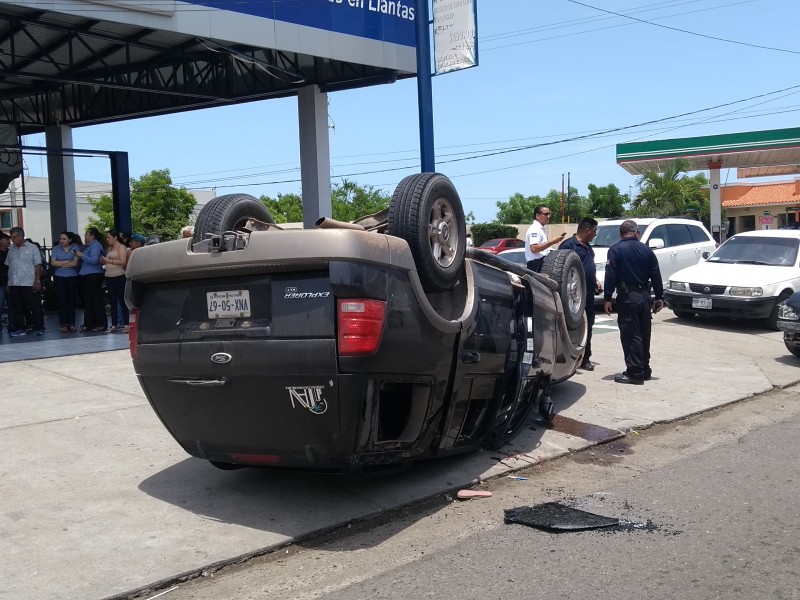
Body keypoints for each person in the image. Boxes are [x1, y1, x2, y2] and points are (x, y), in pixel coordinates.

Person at [603, 220, 664, 385]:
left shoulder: (616, 250)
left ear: (621, 233)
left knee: (631, 335)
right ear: (636, 232)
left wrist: (607, 297)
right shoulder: (647, 250)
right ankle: (645, 369)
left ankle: (635, 373)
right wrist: (659, 297)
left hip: (628, 298)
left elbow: (610, 275)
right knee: (644, 334)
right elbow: (656, 275)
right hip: (645, 297)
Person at [560, 217, 602, 371]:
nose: (595, 234)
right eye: (594, 231)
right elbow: (560, 269)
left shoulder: (587, 246)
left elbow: (588, 266)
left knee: (588, 326)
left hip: (588, 294)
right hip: (573, 297)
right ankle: (570, 359)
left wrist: (595, 280)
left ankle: (586, 358)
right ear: (586, 230)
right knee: (572, 327)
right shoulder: (568, 246)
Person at [5, 227, 44, 336]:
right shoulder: (11, 250)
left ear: (21, 236)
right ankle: (20, 327)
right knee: (17, 307)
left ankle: (38, 327)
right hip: (14, 282)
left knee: (34, 305)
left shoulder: (32, 248)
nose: (12, 240)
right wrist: (9, 282)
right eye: (11, 237)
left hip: (28, 282)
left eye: (14, 237)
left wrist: (37, 281)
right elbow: (9, 266)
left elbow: (37, 265)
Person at [75, 227, 107, 332]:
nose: (85, 236)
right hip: (87, 274)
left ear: (92, 235)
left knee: (95, 299)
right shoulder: (90, 246)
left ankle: (100, 323)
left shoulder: (96, 246)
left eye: (86, 234)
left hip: (94, 274)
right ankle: (89, 323)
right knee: (88, 300)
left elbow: (94, 260)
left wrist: (82, 255)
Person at [50, 231, 81, 332]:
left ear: (70, 240)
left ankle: (71, 323)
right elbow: (53, 263)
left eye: (64, 239)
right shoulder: (56, 248)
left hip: (72, 276)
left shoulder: (75, 248)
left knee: (71, 300)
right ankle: (62, 324)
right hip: (59, 276)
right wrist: (68, 261)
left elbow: (75, 263)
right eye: (61, 239)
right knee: (62, 300)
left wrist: (61, 264)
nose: (61, 241)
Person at [100, 229, 129, 333]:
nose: (107, 239)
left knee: (122, 300)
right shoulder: (109, 248)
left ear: (115, 237)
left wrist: (108, 261)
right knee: (112, 300)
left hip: (119, 275)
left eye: (109, 237)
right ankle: (114, 323)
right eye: (107, 238)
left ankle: (126, 323)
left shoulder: (121, 247)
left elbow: (122, 261)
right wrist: (103, 260)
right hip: (109, 275)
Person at [525, 205, 566, 272]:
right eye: (546, 214)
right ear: (537, 216)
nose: (548, 216)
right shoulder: (535, 228)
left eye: (549, 214)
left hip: (541, 264)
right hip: (536, 265)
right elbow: (534, 249)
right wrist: (553, 241)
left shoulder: (540, 228)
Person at [0, 232, 9, 333]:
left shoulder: (10, 252)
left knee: (13, 305)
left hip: (11, 282)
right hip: (1, 282)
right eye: (6, 239)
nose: (8, 241)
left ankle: (13, 327)